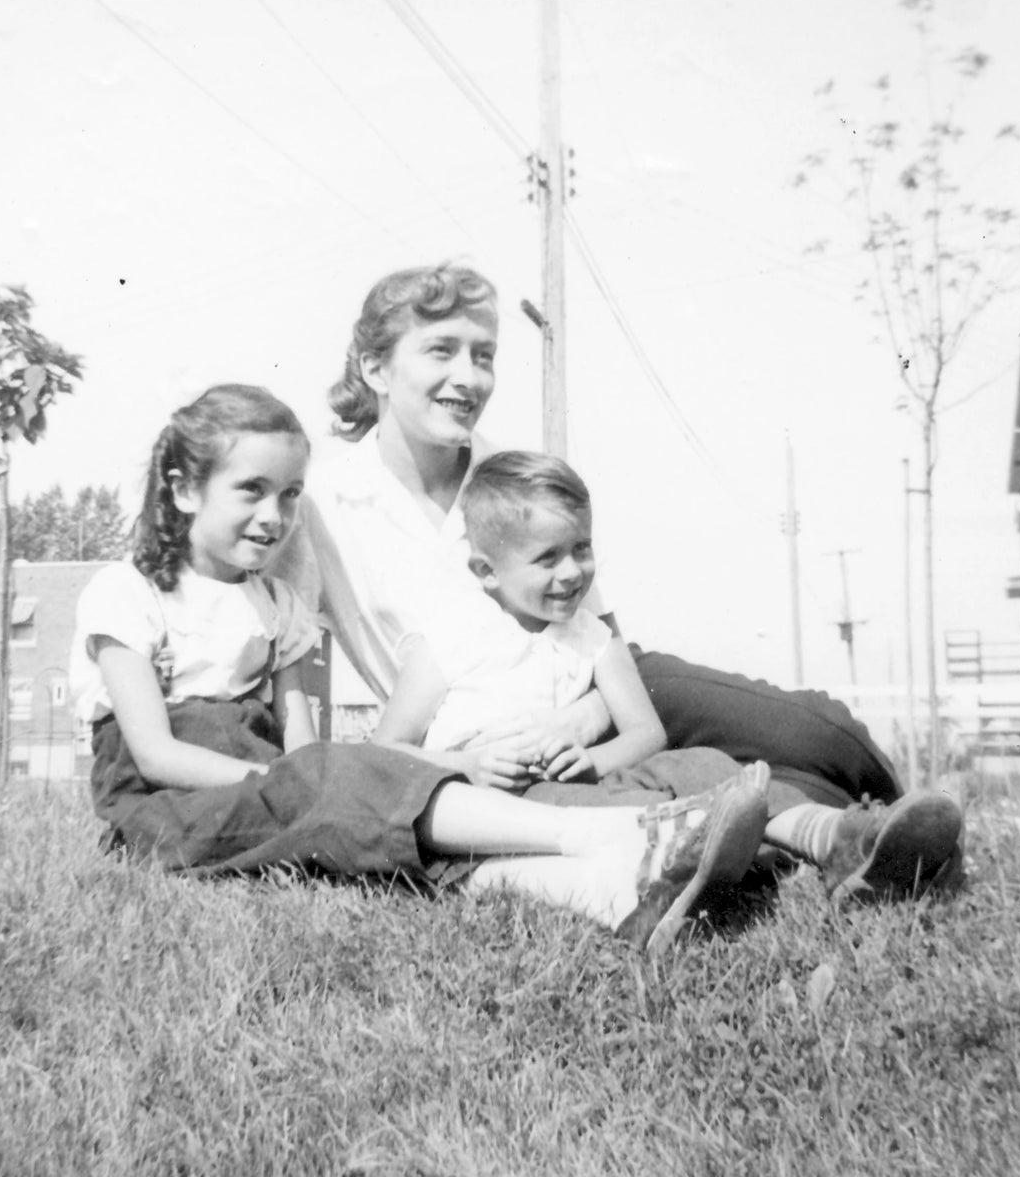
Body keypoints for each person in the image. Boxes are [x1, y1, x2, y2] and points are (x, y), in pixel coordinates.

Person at [274, 262, 964, 906]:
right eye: (441, 350)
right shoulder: (322, 506)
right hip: (484, 734)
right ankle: (855, 842)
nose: (469, 375)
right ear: (375, 368)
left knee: (817, 733)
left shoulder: (507, 475)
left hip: (601, 686)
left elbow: (595, 625)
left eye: (483, 355)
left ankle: (896, 824)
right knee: (745, 782)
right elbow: (293, 657)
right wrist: (311, 778)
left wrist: (582, 720)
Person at [69, 382, 772, 955]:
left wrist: (309, 779)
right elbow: (156, 755)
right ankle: (611, 837)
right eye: (250, 490)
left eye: (289, 495)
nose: (274, 515)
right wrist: (300, 784)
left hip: (267, 787)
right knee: (345, 783)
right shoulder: (129, 594)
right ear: (184, 489)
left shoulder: (277, 603)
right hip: (166, 807)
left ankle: (606, 888)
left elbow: (300, 741)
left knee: (366, 809)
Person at [375, 448, 752, 814]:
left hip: (575, 785)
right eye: (548, 558)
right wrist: (465, 765)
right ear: (487, 572)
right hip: (486, 801)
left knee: (702, 763)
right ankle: (684, 828)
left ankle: (793, 823)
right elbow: (388, 746)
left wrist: (591, 760)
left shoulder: (592, 636)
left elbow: (647, 732)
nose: (572, 572)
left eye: (581, 548)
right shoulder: (449, 638)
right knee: (612, 806)